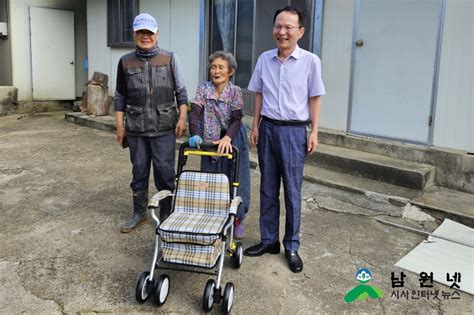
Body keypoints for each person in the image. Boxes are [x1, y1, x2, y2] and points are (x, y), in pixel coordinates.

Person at [243, 6, 325, 273]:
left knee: (291, 191)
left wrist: (314, 131)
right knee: (267, 188)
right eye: (278, 26)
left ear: (300, 31)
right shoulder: (264, 59)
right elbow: (259, 94)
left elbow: (315, 97)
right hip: (267, 128)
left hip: (293, 131)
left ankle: (291, 245)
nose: (282, 32)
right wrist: (255, 125)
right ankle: (269, 240)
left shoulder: (310, 61)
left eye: (289, 27)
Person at [114, 13, 188, 233]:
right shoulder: (125, 61)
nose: (145, 36)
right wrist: (120, 126)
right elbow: (120, 95)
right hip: (136, 128)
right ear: (134, 34)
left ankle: (167, 214)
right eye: (141, 32)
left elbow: (181, 92)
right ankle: (139, 213)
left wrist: (182, 117)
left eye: (149, 32)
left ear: (156, 34)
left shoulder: (169, 58)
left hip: (164, 127)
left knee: (165, 172)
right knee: (139, 171)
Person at [188, 51, 251, 240]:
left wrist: (227, 139)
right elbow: (195, 113)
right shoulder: (203, 88)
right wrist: (195, 134)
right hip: (209, 137)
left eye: (221, 67)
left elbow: (236, 118)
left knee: (236, 179)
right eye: (213, 67)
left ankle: (237, 220)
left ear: (230, 71)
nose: (216, 71)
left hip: (234, 136)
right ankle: (213, 217)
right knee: (211, 179)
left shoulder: (236, 91)